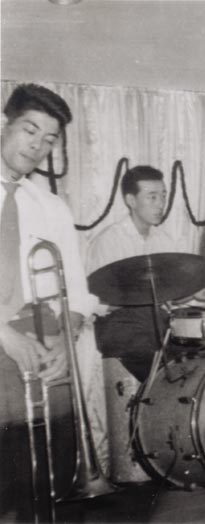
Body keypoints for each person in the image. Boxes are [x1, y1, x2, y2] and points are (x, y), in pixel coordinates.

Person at [0, 84, 98, 521]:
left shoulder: (52, 207)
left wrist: (67, 337)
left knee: (37, 483)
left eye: (49, 139)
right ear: (5, 125)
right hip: (6, 338)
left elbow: (75, 290)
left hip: (40, 346)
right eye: (29, 130)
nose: (38, 146)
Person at [86, 165, 174, 382]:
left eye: (163, 196)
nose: (161, 204)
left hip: (157, 324)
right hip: (118, 324)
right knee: (163, 373)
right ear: (131, 201)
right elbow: (94, 299)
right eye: (152, 197)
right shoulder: (108, 241)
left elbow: (173, 289)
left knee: (190, 357)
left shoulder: (165, 240)